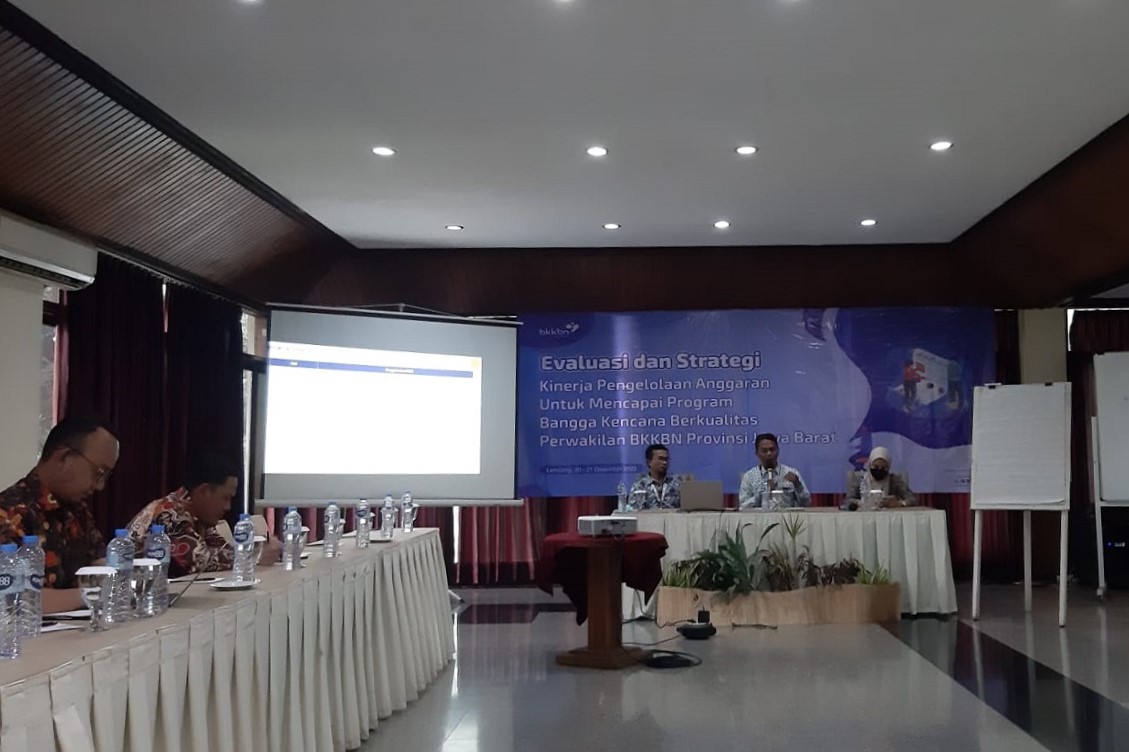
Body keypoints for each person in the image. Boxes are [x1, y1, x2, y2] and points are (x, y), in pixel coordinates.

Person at [0, 416, 120, 612]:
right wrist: (90, 594)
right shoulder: (10, 514)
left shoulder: (77, 512)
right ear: (64, 457)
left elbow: (101, 566)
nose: (100, 486)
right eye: (98, 472)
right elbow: (13, 598)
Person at [127, 452, 280, 578]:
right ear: (204, 491)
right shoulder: (169, 515)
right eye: (225, 498)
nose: (228, 507)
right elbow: (201, 562)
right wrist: (256, 556)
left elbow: (221, 551)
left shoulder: (199, 515)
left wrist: (257, 552)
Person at [739, 433, 811, 509]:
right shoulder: (749, 477)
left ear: (778, 450)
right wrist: (762, 495)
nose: (769, 453)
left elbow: (806, 503)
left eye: (772, 450)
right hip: (760, 516)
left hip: (786, 515)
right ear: (757, 453)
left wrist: (797, 485)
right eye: (764, 451)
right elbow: (743, 506)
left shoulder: (792, 473)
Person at [843, 447, 916, 510]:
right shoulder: (859, 479)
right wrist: (861, 503)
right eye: (876, 467)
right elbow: (847, 501)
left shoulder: (894, 480)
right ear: (870, 465)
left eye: (883, 468)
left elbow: (912, 499)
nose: (879, 470)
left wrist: (899, 503)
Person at [626, 443, 681, 510]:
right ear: (649, 462)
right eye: (660, 459)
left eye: (666, 459)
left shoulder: (676, 483)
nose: (664, 462)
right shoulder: (640, 485)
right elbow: (634, 511)